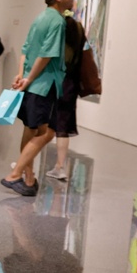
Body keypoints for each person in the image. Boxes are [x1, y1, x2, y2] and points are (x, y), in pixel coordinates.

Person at [1, 0, 72, 197]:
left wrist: (22, 76)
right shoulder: (58, 22)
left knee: (32, 129)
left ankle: (29, 178)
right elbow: (46, 54)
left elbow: (25, 49)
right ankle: (15, 175)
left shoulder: (40, 18)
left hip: (33, 84)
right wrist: (29, 79)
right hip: (44, 84)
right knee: (47, 133)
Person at [47, 14, 89, 180]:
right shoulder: (78, 42)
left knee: (44, 125)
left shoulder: (59, 48)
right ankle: (60, 166)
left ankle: (25, 163)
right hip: (71, 86)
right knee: (62, 128)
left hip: (56, 84)